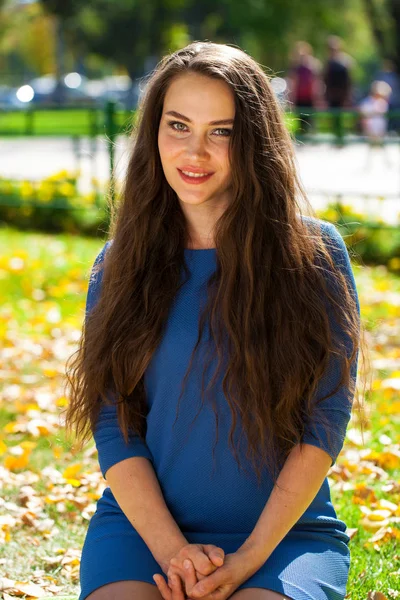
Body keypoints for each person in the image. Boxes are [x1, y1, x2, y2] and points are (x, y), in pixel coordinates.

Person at [64, 41, 363, 600]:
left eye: (221, 131)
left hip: (284, 537)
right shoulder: (118, 265)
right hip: (144, 530)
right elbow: (114, 422)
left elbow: (325, 420)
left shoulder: (315, 255)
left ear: (255, 143)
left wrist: (251, 556)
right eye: (178, 125)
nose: (195, 151)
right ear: (154, 132)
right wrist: (171, 550)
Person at [323, 36, 355, 145]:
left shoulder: (344, 61)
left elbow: (348, 81)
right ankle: (337, 139)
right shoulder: (329, 63)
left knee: (341, 117)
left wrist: (347, 95)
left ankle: (341, 139)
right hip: (332, 94)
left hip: (341, 94)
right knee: (334, 117)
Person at [286, 41, 324, 135]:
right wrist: (291, 98)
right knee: (301, 118)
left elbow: (317, 83)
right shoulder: (296, 68)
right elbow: (293, 83)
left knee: (311, 118)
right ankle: (303, 135)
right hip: (300, 96)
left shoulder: (313, 67)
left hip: (310, 97)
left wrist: (318, 97)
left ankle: (310, 135)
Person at [358, 79, 393, 169]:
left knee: (381, 145)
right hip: (371, 128)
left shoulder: (382, 103)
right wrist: (367, 129)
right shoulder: (367, 102)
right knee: (372, 147)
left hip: (380, 128)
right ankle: (369, 164)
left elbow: (383, 118)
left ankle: (386, 162)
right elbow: (364, 117)